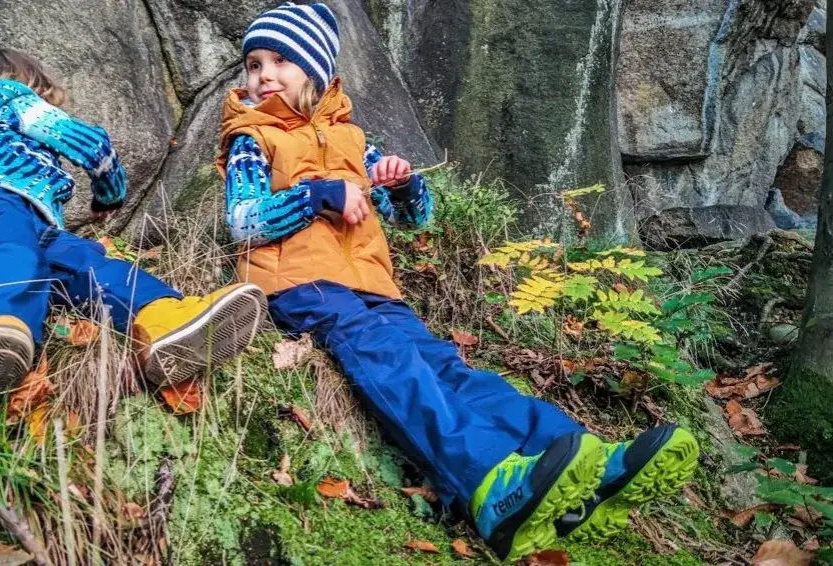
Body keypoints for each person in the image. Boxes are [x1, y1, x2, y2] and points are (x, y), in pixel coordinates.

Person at [216, 4, 699, 561]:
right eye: (253, 64)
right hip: (301, 285)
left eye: (280, 60)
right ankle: (489, 481)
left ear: (317, 71)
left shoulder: (350, 138)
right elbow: (244, 219)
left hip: (373, 286)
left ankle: (579, 459)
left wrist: (401, 187)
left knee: (449, 367)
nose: (264, 75)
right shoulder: (251, 137)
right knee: (394, 361)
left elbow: (414, 219)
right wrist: (319, 195)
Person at [0, 48, 267, 401]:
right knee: (9, 246)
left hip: (10, 222)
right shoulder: (8, 97)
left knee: (84, 264)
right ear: (32, 83)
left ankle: (163, 321)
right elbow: (90, 144)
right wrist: (109, 194)